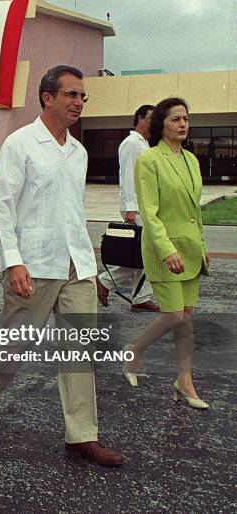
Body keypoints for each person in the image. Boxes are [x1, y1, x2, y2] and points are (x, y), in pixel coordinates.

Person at [0, 65, 123, 467]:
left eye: (82, 96)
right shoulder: (20, 144)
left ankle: (81, 436)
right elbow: (3, 208)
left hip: (75, 265)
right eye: (71, 95)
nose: (78, 102)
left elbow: (74, 211)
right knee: (17, 343)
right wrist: (13, 261)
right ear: (47, 97)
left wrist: (91, 265)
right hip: (32, 263)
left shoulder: (79, 151)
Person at [124, 98, 210, 409]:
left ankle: (184, 381)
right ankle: (133, 351)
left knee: (186, 317)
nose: (183, 124)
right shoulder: (149, 160)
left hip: (190, 249)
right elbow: (150, 211)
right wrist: (167, 249)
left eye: (185, 118)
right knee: (173, 315)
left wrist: (202, 244)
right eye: (175, 119)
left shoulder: (191, 160)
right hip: (165, 251)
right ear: (161, 124)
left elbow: (194, 211)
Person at [96, 104, 159, 312]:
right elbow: (128, 178)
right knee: (143, 253)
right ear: (140, 118)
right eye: (150, 118)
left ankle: (140, 297)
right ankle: (105, 281)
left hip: (146, 206)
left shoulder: (144, 144)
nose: (154, 122)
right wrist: (130, 210)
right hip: (136, 207)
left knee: (143, 254)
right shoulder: (131, 144)